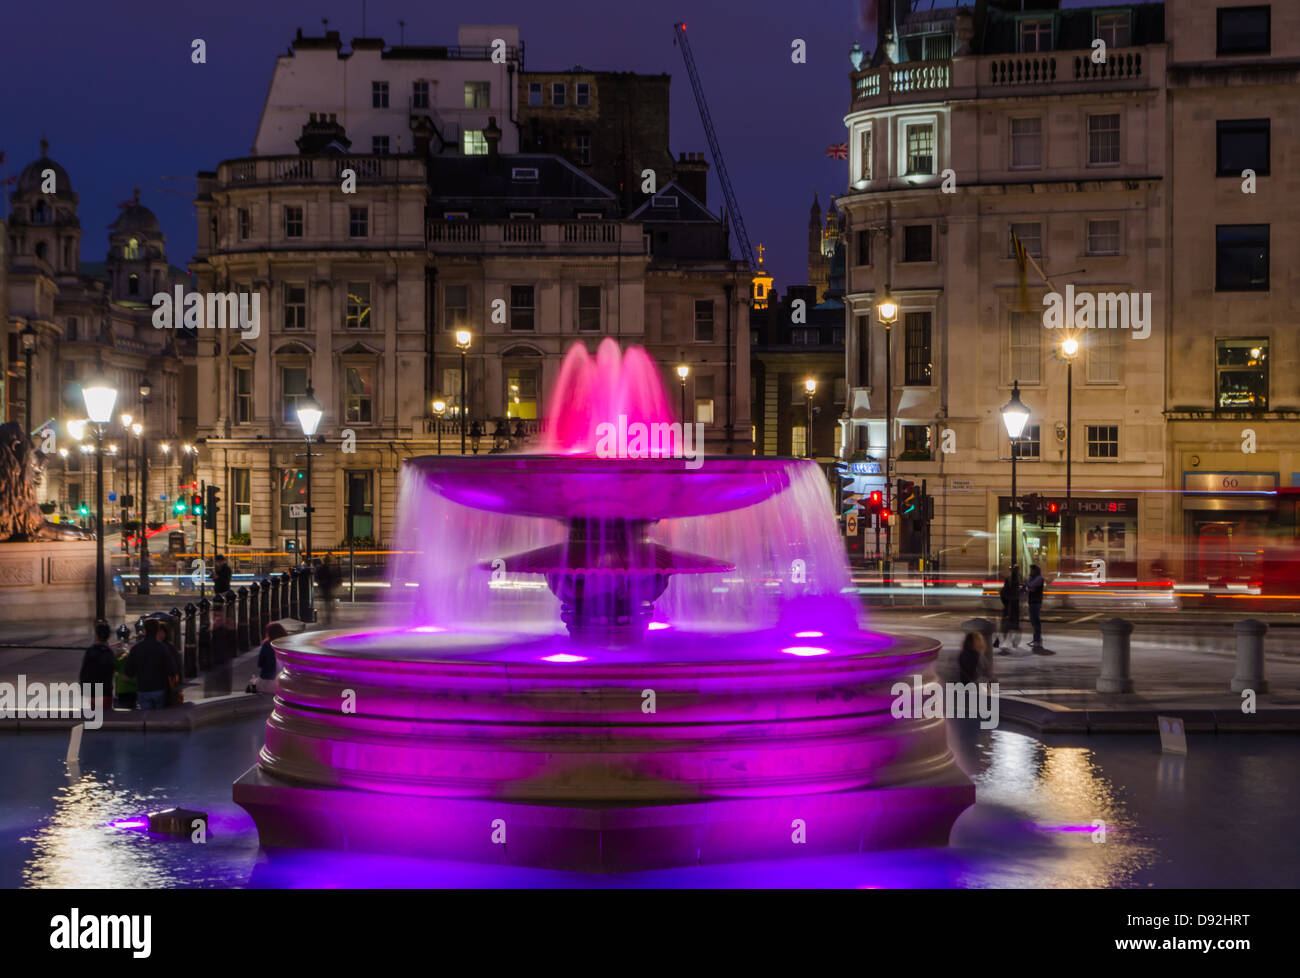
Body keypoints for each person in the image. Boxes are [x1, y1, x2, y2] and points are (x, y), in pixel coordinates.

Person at [124, 619, 178, 711]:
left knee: (146, 717)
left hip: (143, 689)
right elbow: (171, 670)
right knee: (159, 717)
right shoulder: (162, 647)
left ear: (144, 630)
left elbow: (128, 674)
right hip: (159, 689)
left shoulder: (137, 648)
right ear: (157, 630)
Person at [79, 622, 117, 715]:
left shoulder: (91, 651)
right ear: (108, 636)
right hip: (105, 691)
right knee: (105, 717)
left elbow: (84, 673)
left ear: (96, 635)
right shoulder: (109, 653)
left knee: (89, 719)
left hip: (91, 692)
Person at [249, 622, 288, 694]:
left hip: (267, 683)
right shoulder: (287, 644)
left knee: (252, 681)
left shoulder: (266, 644)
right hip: (283, 684)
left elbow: (260, 664)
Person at [158, 620, 185, 706]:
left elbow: (176, 666)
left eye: (161, 632)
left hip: (167, 685)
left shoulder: (169, 647)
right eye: (158, 632)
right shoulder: (165, 646)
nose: (159, 634)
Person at [995, 573, 1021, 654]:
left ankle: (1002, 642)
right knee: (1009, 627)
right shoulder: (1012, 589)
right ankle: (1007, 642)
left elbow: (1004, 597)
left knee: (1006, 627)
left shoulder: (1006, 589)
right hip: (1011, 610)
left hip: (1009, 610)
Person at [1026, 563, 1047, 650]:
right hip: (1031, 601)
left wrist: (1029, 586)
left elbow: (1030, 586)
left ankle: (1037, 640)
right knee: (1033, 620)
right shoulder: (1033, 578)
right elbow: (1029, 588)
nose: (1030, 571)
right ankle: (1035, 639)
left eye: (1032, 570)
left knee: (1035, 621)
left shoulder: (1039, 578)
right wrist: (1029, 587)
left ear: (1035, 571)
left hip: (1036, 602)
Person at [315, 554, 338, 627]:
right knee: (328, 602)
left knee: (326, 602)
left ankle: (328, 616)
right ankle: (329, 616)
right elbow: (334, 576)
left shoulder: (321, 568)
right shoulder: (331, 568)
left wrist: (320, 582)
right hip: (328, 586)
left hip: (324, 586)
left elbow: (317, 577)